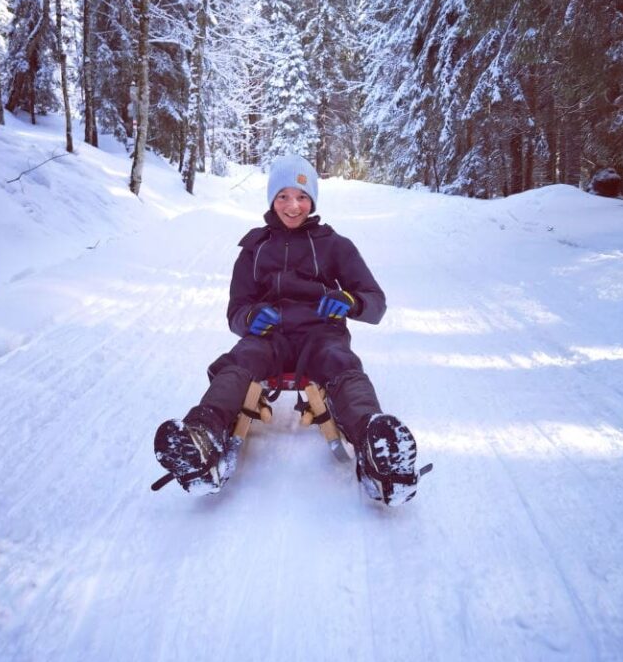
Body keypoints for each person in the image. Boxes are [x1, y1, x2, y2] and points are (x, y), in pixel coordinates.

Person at [154, 154, 424, 505]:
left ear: (312, 200)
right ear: (271, 200)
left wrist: (349, 302)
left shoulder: (335, 245)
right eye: (283, 196)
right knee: (241, 360)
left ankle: (376, 444)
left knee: (340, 362)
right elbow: (236, 311)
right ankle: (202, 436)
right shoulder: (254, 250)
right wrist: (252, 318)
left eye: (301, 196)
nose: (293, 205)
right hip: (270, 337)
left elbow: (375, 302)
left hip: (321, 333)